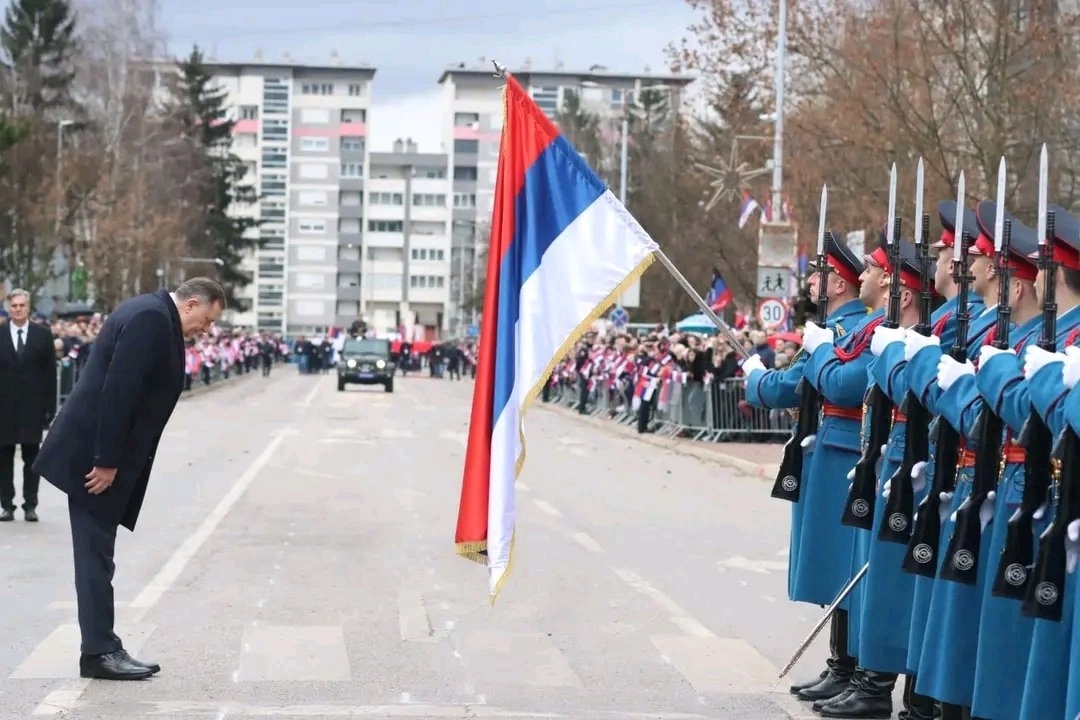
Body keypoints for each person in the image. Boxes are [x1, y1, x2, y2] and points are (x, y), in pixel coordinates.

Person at [33, 278, 225, 681]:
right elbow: (118, 391)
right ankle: (99, 652)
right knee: (95, 557)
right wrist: (106, 460)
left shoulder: (152, 313)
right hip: (93, 461)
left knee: (98, 555)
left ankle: (102, 646)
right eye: (206, 321)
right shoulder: (152, 320)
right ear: (191, 304)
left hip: (100, 455)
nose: (205, 331)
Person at [742, 233, 868, 705]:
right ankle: (841, 665)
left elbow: (790, 387)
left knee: (843, 563)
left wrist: (756, 377)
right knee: (838, 564)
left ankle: (851, 669)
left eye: (818, 274)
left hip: (842, 452)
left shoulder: (841, 330)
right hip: (828, 448)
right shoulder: (836, 327)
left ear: (837, 283)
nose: (811, 282)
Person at [0, 288, 56, 522]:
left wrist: (49, 410)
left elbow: (50, 375)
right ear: (8, 307)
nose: (18, 309)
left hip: (32, 409)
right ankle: (7, 505)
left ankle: (30, 504)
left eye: (22, 305)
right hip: (4, 409)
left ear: (28, 307)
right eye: (14, 306)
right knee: (4, 460)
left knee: (32, 460)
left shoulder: (42, 335)